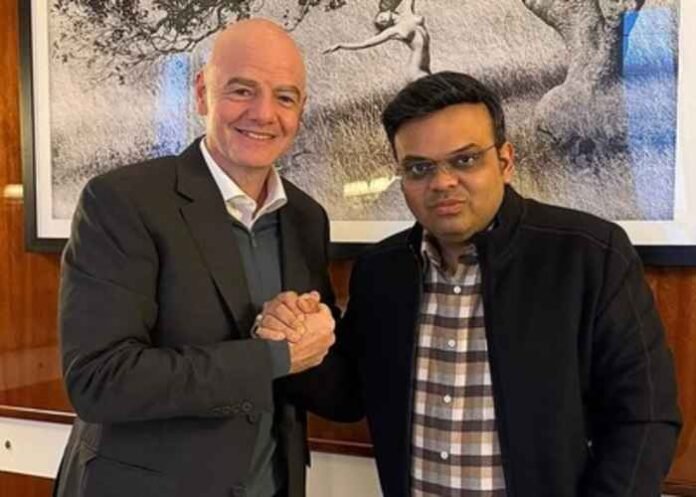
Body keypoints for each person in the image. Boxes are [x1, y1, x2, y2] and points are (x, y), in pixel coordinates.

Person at [257, 72, 682, 496]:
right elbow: (349, 397)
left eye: (465, 160)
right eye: (419, 167)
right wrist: (291, 342)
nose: (442, 182)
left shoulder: (590, 255)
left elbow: (645, 417)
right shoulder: (381, 272)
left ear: (505, 161)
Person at [54, 18, 337, 497]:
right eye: (242, 90)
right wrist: (271, 355)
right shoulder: (123, 200)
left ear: (301, 109)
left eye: (285, 97)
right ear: (203, 93)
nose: (264, 113)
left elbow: (316, 376)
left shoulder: (307, 218)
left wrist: (313, 330)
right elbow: (99, 381)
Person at [323, 0, 430, 81]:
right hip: (415, 68)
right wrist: (340, 45)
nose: (380, 20)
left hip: (426, 63)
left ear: (387, 11)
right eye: (380, 23)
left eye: (379, 17)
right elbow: (365, 44)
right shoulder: (394, 31)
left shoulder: (407, 11)